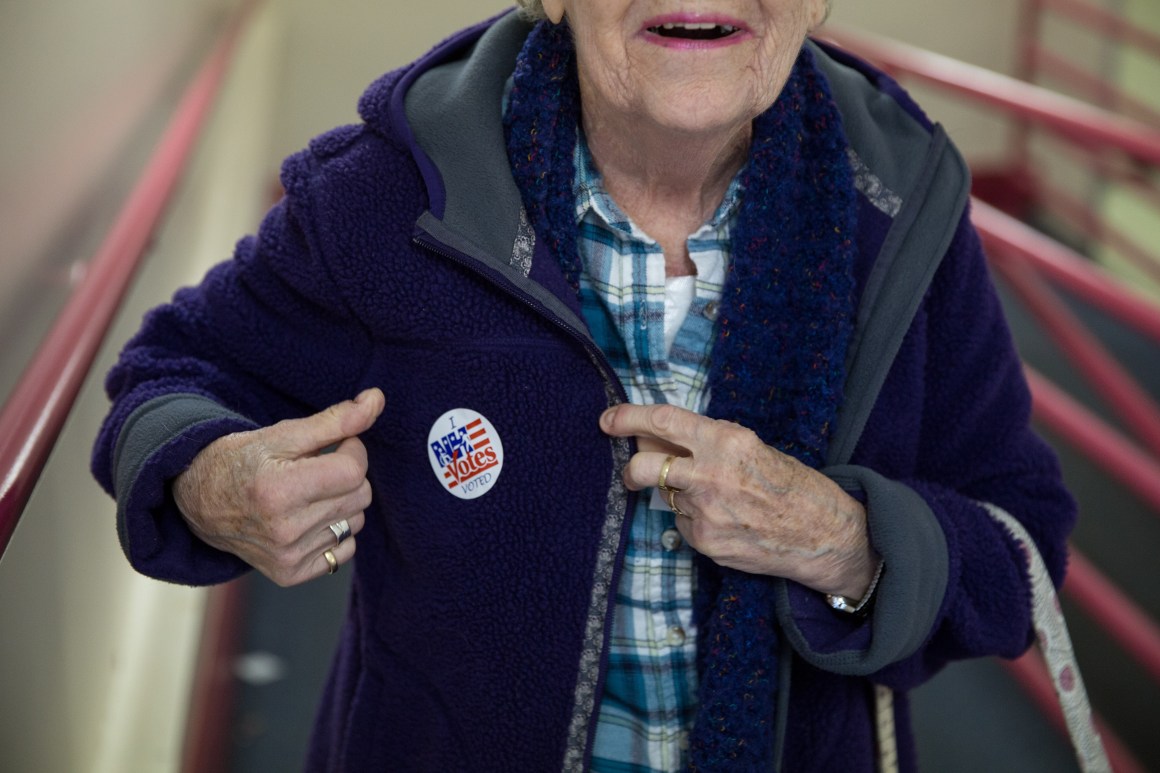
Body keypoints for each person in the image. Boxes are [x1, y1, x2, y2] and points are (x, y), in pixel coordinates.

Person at [92, 1, 1077, 771]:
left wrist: (843, 540)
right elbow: (168, 377)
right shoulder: (389, 196)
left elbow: (1017, 546)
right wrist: (210, 475)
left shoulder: (899, 209)